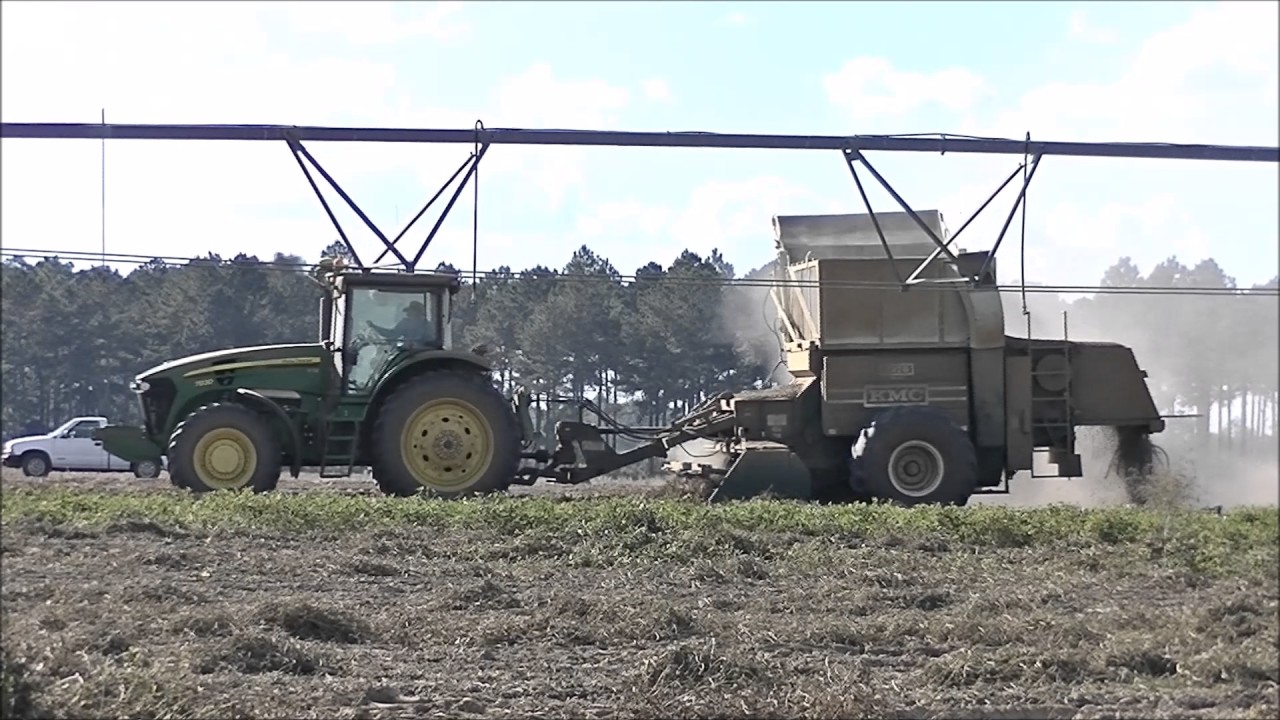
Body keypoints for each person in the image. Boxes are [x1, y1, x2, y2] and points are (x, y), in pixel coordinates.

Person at [367, 299, 433, 345]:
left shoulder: (407, 323)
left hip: (412, 352)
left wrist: (374, 326)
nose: (407, 314)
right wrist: (375, 327)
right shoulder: (429, 325)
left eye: (410, 311)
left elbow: (392, 334)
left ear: (416, 312)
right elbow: (392, 334)